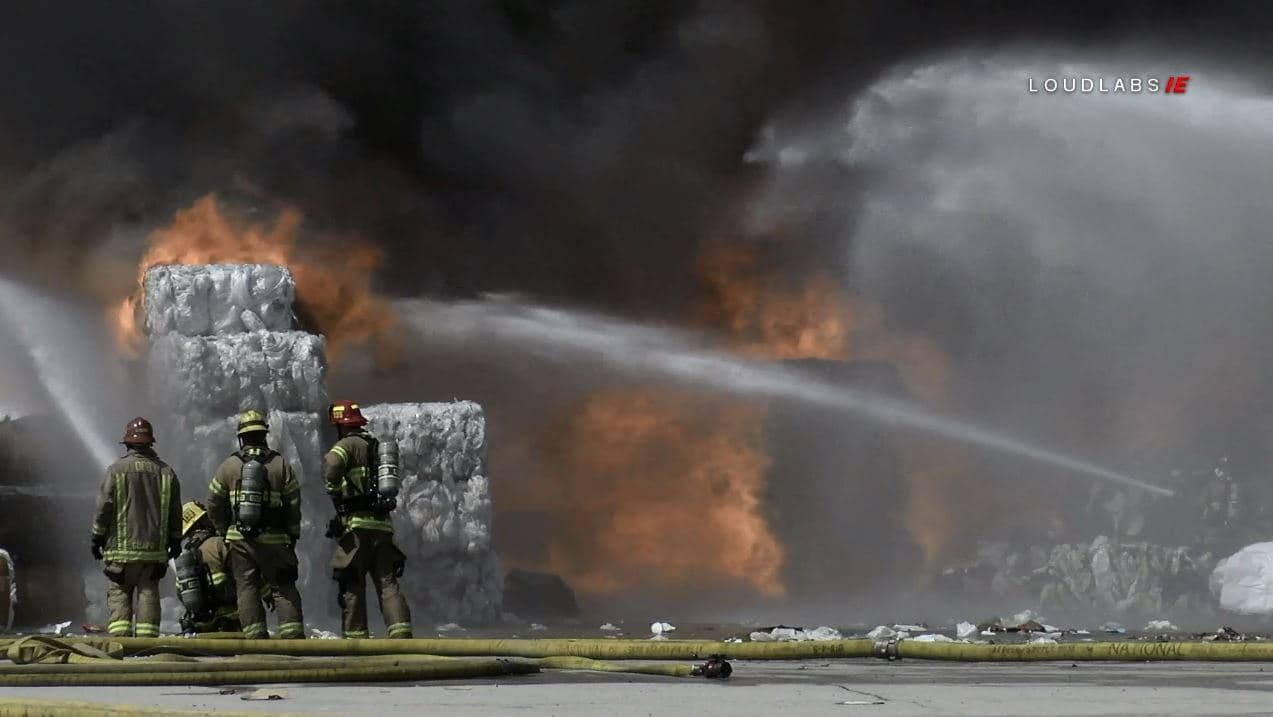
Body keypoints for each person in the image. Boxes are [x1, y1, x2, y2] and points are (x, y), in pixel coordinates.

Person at [206, 410, 305, 639]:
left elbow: (212, 503)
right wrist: (292, 534)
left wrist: (224, 530)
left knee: (247, 587)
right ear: (264, 435)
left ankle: (255, 640)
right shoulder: (280, 464)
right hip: (276, 539)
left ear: (242, 438)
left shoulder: (229, 466)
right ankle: (293, 640)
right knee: (283, 587)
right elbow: (293, 503)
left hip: (240, 540)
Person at [324, 400, 412, 639]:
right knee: (387, 583)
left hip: (356, 527)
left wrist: (334, 492)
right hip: (382, 527)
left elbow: (332, 465)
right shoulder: (375, 446)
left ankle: (356, 640)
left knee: (352, 581)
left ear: (341, 425)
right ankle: (401, 636)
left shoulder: (345, 445)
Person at [90, 417, 182, 638]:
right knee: (149, 594)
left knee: (120, 594)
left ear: (128, 443)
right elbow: (175, 512)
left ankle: (122, 645)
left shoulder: (116, 470)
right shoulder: (166, 472)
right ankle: (147, 646)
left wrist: (97, 537)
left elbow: (104, 508)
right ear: (150, 442)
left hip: (120, 554)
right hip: (153, 554)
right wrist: (175, 540)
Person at [176, 501, 239, 634]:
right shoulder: (219, 543)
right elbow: (243, 574)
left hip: (201, 623)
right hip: (229, 617)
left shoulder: (184, 557)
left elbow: (179, 593)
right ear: (200, 522)